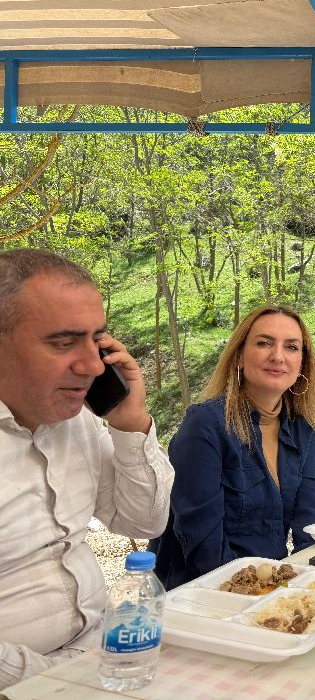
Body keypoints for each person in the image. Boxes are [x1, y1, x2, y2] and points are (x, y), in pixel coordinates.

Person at [0, 248, 174, 689]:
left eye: (96, 340)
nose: (94, 365)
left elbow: (142, 520)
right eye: (63, 342)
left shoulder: (78, 419)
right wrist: (72, 684)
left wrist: (131, 424)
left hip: (103, 649)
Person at [149, 305, 315, 589]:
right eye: (264, 343)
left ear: (302, 365)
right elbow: (203, 546)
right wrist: (263, 593)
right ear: (239, 357)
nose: (278, 356)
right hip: (198, 595)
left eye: (292, 347)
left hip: (270, 588)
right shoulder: (205, 426)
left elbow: (311, 520)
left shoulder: (301, 429)